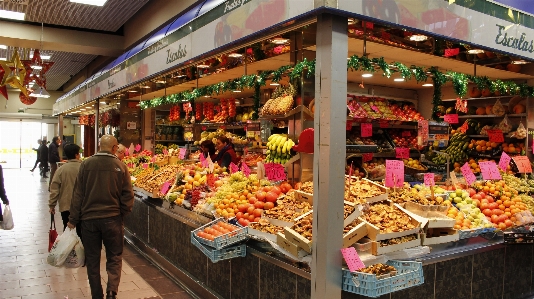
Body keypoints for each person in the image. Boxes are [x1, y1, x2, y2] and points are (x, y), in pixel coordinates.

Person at [68, 135, 134, 299]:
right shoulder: (120, 166)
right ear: (114, 148)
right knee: (114, 257)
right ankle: (112, 291)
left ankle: (96, 295)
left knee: (92, 259)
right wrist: (122, 213)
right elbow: (128, 195)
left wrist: (73, 219)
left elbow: (78, 194)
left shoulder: (86, 164)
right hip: (112, 219)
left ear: (99, 146)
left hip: (89, 220)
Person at [49, 144, 82, 235]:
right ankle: (81, 248)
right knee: (81, 231)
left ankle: (68, 248)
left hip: (66, 205)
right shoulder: (84, 168)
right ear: (76, 155)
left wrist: (52, 205)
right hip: (82, 206)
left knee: (67, 229)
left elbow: (54, 188)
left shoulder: (61, 170)